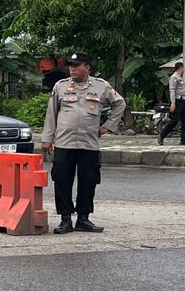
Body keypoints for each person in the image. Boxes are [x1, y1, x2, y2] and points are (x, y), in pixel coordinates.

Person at [42, 51, 126, 234]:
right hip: (64, 143)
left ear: (87, 67)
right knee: (62, 181)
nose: (72, 69)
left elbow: (120, 104)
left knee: (88, 182)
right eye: (70, 66)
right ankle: (65, 219)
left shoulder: (101, 86)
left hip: (89, 144)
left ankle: (83, 218)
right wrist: (47, 139)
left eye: (76, 66)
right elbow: (51, 112)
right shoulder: (60, 86)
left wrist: (107, 126)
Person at [168, 59, 185, 146]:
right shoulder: (174, 78)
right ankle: (162, 135)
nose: (184, 70)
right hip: (178, 101)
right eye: (183, 68)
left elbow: (180, 89)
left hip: (184, 101)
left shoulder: (180, 77)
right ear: (180, 68)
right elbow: (172, 90)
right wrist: (173, 103)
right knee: (174, 120)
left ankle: (184, 140)